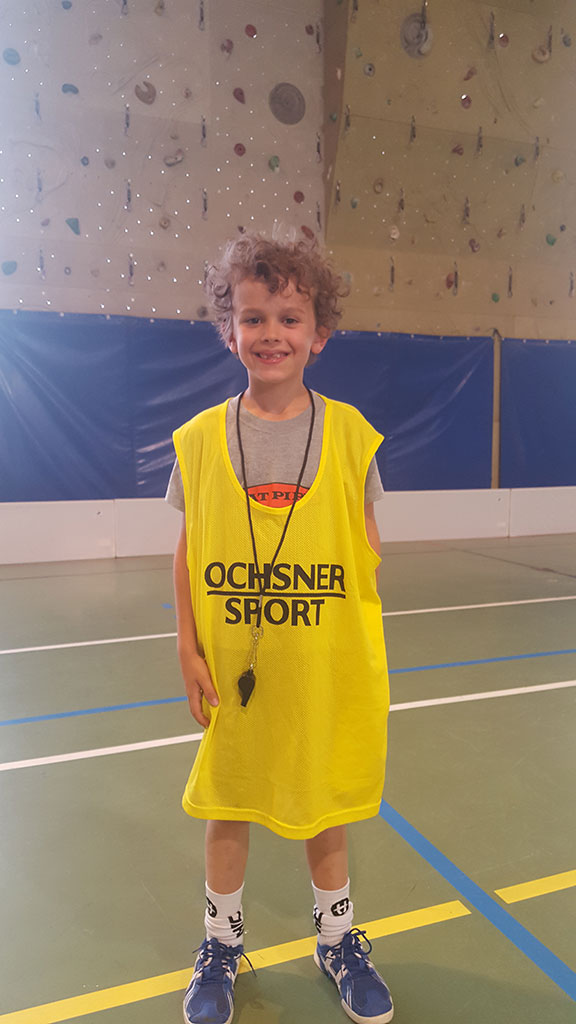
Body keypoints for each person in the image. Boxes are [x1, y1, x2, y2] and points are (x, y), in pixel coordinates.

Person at [166, 233, 393, 1024]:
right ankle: (221, 945)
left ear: (319, 333)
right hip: (235, 669)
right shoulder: (201, 439)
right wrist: (188, 646)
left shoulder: (351, 433)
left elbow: (366, 547)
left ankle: (336, 940)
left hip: (320, 664)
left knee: (323, 804)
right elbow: (189, 549)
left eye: (289, 318)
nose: (271, 333)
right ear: (229, 330)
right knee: (228, 800)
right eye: (253, 317)